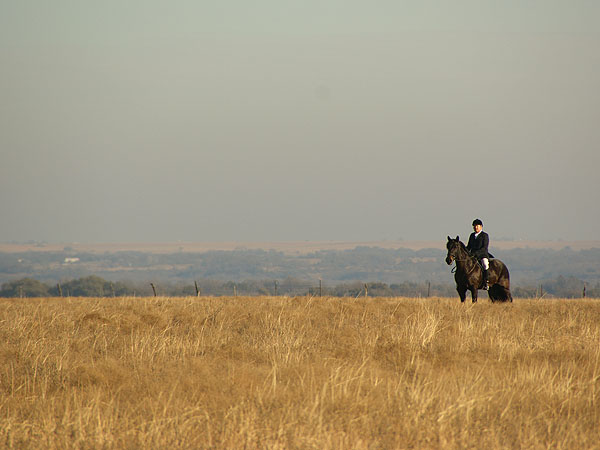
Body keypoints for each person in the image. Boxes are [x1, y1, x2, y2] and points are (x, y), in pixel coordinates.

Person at [466, 219, 491, 290]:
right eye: (474, 226)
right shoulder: (472, 235)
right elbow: (469, 246)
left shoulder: (484, 235)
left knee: (485, 264)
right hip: (472, 255)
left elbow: (484, 247)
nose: (475, 227)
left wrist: (476, 253)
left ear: (481, 227)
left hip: (482, 255)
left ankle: (486, 282)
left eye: (477, 226)